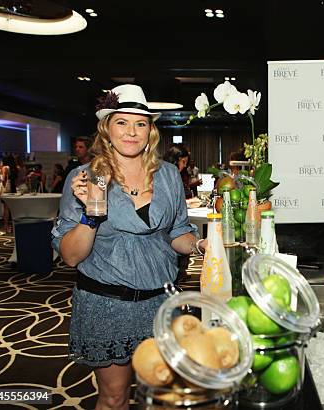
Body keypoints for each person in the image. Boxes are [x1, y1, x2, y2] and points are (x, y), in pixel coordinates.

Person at [52, 84, 206, 410]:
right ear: (106, 129)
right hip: (107, 304)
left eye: (140, 123)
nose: (131, 132)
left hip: (161, 303)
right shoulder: (85, 177)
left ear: (151, 130)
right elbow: (70, 255)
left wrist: (202, 245)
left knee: (163, 394)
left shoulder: (166, 176)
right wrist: (93, 213)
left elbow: (177, 233)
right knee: (114, 397)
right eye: (121, 122)